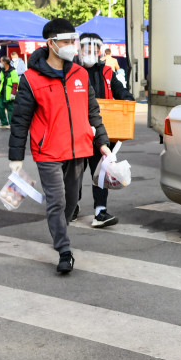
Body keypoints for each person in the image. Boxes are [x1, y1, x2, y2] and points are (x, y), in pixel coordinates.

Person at [8, 18, 112, 274]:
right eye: (65, 41)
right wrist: (16, 156)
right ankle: (64, 250)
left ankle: (60, 230)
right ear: (51, 43)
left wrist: (103, 141)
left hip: (78, 149)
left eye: (72, 41)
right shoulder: (31, 79)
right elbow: (20, 119)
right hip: (48, 152)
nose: (71, 46)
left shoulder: (80, 73)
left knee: (70, 201)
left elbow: (92, 111)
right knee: (56, 200)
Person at [75, 32, 134, 228]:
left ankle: (100, 211)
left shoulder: (107, 72)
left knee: (100, 172)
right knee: (73, 174)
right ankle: (72, 206)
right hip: (76, 132)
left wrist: (127, 98)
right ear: (79, 49)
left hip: (100, 133)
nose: (90, 52)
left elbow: (119, 90)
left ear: (100, 51)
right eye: (86, 48)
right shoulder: (71, 71)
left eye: (94, 48)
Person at [0, 56, 19, 129]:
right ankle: (4, 123)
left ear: (5, 62)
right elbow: (0, 81)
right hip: (2, 93)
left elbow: (15, 83)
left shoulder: (13, 72)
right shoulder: (2, 71)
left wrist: (13, 93)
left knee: (10, 110)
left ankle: (12, 124)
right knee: (0, 107)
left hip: (9, 94)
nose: (0, 63)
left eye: (1, 61)